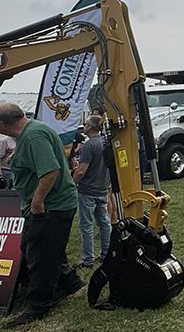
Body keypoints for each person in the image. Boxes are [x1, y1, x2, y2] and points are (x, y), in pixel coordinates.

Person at [0, 102, 83, 328]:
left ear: (1, 123)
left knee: (38, 256)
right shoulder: (33, 130)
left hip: (51, 205)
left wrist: (38, 202)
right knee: (49, 248)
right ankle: (69, 282)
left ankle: (38, 306)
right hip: (57, 203)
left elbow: (50, 171)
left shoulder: (33, 137)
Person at [72, 115, 112, 269]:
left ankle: (88, 259)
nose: (84, 125)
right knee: (104, 223)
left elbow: (81, 171)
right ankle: (106, 254)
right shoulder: (105, 143)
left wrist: (72, 183)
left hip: (88, 190)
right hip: (102, 188)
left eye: (87, 123)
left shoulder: (89, 146)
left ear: (92, 127)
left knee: (86, 226)